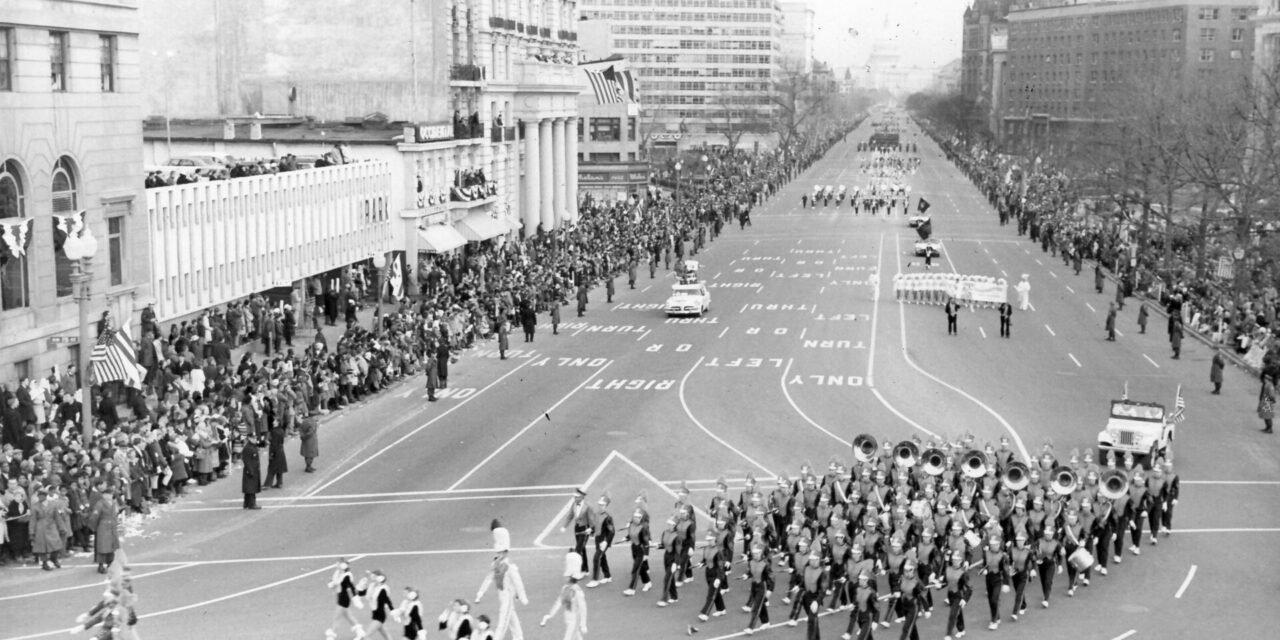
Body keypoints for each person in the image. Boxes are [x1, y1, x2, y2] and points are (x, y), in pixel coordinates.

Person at [475, 522, 529, 640]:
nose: (498, 554)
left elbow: (518, 583)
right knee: (511, 618)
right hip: (501, 595)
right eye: (497, 552)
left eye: (500, 552)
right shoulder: (495, 564)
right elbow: (489, 578)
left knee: (503, 620)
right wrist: (480, 593)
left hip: (508, 595)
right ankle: (519, 637)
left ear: (505, 552)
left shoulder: (510, 567)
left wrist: (522, 596)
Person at [540, 552, 589, 640]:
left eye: (566, 576)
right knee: (577, 637)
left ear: (571, 577)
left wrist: (583, 624)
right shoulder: (565, 588)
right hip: (568, 618)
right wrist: (550, 614)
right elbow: (559, 602)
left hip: (574, 620)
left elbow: (583, 608)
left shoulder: (577, 592)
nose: (564, 577)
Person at [326, 558, 365, 640]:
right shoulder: (338, 573)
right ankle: (360, 632)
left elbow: (351, 587)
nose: (337, 565)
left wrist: (356, 599)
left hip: (345, 598)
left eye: (339, 564)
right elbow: (334, 581)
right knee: (348, 616)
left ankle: (331, 635)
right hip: (339, 596)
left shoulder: (347, 575)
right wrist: (332, 584)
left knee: (336, 617)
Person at [561, 488, 594, 577]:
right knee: (582, 549)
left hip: (585, 529)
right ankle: (585, 569)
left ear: (582, 497)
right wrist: (565, 526)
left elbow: (591, 519)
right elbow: (570, 515)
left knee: (578, 550)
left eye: (576, 497)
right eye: (574, 497)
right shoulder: (574, 504)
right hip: (577, 529)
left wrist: (592, 530)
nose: (574, 498)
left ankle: (579, 571)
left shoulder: (588, 506)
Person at [87, 485, 120, 573]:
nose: (110, 495)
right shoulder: (100, 503)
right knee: (103, 546)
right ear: (104, 495)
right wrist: (93, 527)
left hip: (112, 526)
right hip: (103, 526)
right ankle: (100, 565)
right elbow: (94, 516)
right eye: (109, 494)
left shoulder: (113, 502)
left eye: (111, 494)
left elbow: (115, 514)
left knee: (112, 546)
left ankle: (110, 562)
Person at [587, 493, 614, 588]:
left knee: (596, 558)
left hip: (603, 541)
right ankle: (607, 576)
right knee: (602, 557)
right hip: (598, 540)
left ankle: (595, 580)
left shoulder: (608, 518)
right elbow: (596, 525)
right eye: (600, 504)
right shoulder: (596, 514)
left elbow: (612, 532)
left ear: (606, 506)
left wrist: (606, 542)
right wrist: (591, 530)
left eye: (602, 505)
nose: (600, 506)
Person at [266, 422, 287, 489]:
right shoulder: (281, 430)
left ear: (278, 422)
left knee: (271, 468)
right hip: (281, 450)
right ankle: (279, 483)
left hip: (275, 451)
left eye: (275, 421)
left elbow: (274, 444)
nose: (273, 422)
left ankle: (267, 484)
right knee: (279, 468)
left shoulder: (274, 431)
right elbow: (282, 441)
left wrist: (272, 453)